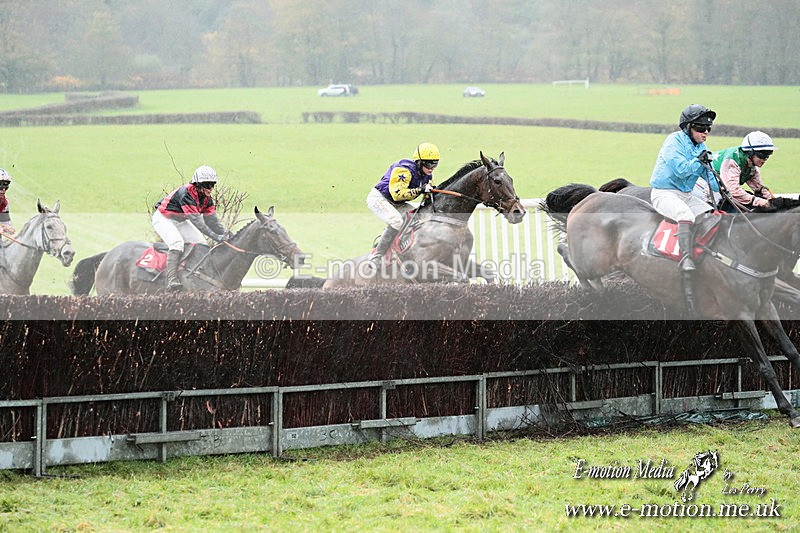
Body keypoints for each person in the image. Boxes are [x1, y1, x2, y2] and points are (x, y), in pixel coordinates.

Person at [650, 104, 718, 273]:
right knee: (685, 215)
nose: (706, 132)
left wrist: (729, 188)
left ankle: (703, 251)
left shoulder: (701, 147)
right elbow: (681, 170)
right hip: (664, 194)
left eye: (708, 128)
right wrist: (699, 160)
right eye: (701, 128)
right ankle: (686, 258)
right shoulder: (673, 141)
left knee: (711, 216)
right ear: (688, 127)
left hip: (685, 195)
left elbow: (711, 178)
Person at [152, 165, 230, 291]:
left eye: (212, 185)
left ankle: (194, 273)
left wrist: (228, 234)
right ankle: (171, 279)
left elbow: (212, 221)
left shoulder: (207, 199)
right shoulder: (187, 193)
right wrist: (217, 237)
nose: (210, 188)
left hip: (181, 220)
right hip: (164, 219)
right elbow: (199, 224)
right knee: (177, 243)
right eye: (207, 184)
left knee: (202, 244)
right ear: (198, 184)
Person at [366, 143, 439, 266]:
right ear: (419, 162)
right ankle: (376, 255)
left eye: (435, 164)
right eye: (428, 164)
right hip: (380, 199)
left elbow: (427, 196)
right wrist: (420, 190)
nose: (431, 168)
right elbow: (397, 194)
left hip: (397, 203)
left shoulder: (428, 175)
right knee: (396, 221)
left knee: (420, 217)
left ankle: (403, 249)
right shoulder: (403, 169)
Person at [713, 131, 777, 212]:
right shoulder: (732, 161)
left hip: (721, 186)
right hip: (703, 184)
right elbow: (733, 191)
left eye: (768, 155)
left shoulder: (751, 166)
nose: (764, 159)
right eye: (762, 155)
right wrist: (757, 201)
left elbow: (759, 188)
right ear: (750, 153)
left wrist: (773, 201)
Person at [0, 168, 15, 236]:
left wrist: (9, 228)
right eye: (0, 185)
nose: (3, 189)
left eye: (6, 185)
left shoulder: (3, 202)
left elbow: (5, 220)